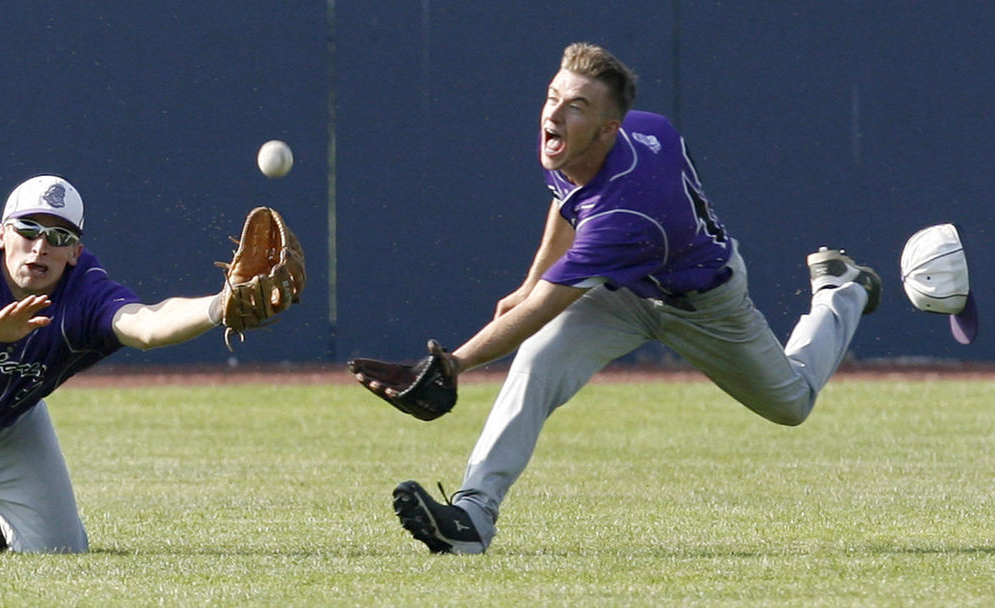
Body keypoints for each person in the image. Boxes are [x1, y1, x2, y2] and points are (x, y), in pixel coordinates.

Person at [378, 43, 881, 554]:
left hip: (705, 304)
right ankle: (472, 514)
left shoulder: (627, 214)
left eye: (575, 105)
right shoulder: (607, 135)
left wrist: (454, 363)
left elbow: (541, 310)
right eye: (553, 96)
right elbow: (568, 198)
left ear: (608, 128)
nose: (553, 113)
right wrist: (531, 281)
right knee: (538, 361)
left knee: (792, 403)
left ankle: (840, 291)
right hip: (624, 291)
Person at [0, 175, 294, 553]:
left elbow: (145, 324)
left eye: (59, 236)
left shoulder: (84, 290)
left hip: (7, 432)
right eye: (28, 230)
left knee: (60, 552)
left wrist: (218, 305)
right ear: (3, 234)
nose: (41, 246)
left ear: (75, 252)